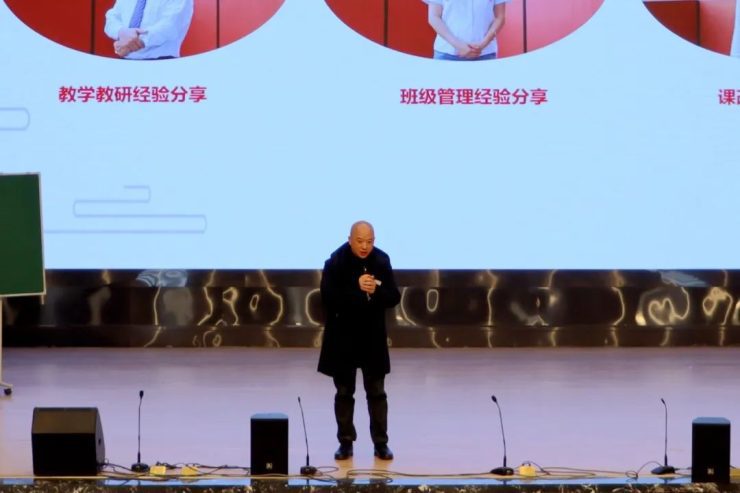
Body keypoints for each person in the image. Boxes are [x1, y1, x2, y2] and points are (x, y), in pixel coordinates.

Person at [318, 221, 401, 461]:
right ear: (350, 239)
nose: (365, 246)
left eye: (370, 241)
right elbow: (328, 297)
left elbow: (394, 296)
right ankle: (345, 442)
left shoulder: (381, 260)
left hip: (372, 339)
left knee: (377, 393)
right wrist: (356, 287)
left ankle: (381, 443)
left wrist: (376, 291)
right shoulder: (336, 262)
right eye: (360, 241)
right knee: (344, 392)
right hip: (343, 337)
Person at [104, 0, 194, 60]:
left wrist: (130, 44)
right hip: (124, 62)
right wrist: (120, 31)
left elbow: (170, 26)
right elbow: (112, 18)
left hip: (162, 63)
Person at [424, 0, 509, 61]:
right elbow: (434, 17)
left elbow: (500, 17)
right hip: (447, 53)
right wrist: (458, 45)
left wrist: (483, 44)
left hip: (485, 53)